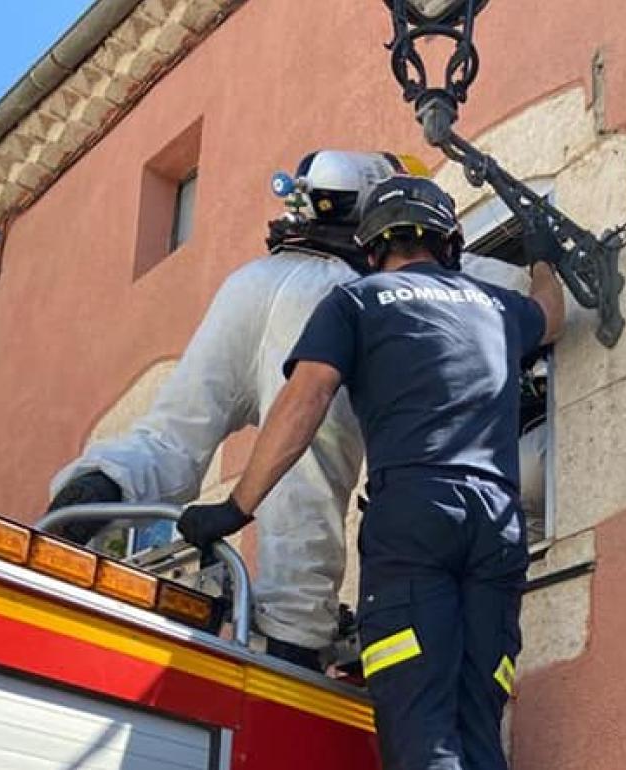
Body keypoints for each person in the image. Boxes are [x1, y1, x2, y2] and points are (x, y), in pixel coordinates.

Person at [178, 175, 565, 769]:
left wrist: (237, 507)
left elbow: (304, 399)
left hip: (413, 522)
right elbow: (552, 316)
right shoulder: (496, 306)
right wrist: (542, 254)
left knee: (422, 730)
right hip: (498, 529)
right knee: (479, 720)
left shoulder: (355, 303)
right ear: (449, 244)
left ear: (371, 250)